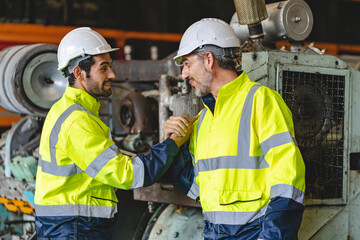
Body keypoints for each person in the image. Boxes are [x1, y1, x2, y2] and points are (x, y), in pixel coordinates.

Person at [34, 27, 195, 240]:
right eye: (104, 68)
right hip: (75, 228)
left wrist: (164, 144)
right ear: (79, 73)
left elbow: (109, 160)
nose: (112, 74)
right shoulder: (77, 121)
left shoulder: (68, 110)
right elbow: (128, 175)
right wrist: (174, 143)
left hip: (70, 225)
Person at [164, 18, 306, 239]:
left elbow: (289, 179)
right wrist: (174, 147)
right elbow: (199, 190)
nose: (184, 74)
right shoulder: (203, 119)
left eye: (187, 63)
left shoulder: (261, 101)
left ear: (209, 60)